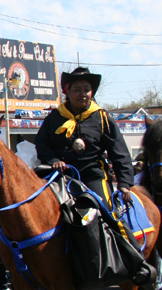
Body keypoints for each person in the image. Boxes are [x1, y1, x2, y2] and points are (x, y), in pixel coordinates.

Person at [34, 67, 134, 209]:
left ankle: (119, 231)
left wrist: (124, 184)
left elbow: (119, 152)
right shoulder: (53, 118)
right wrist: (54, 160)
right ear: (67, 92)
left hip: (93, 176)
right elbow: (42, 144)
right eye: (77, 90)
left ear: (92, 93)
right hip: (61, 177)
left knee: (106, 210)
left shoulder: (102, 118)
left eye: (86, 90)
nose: (82, 94)